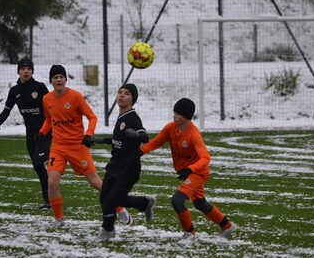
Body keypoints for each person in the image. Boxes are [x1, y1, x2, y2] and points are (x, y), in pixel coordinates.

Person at [37, 65, 131, 229]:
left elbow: (92, 117)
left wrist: (88, 134)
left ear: (65, 79)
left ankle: (120, 208)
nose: (58, 79)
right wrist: (42, 132)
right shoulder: (47, 99)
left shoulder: (75, 97)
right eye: (55, 77)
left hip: (77, 146)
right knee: (52, 182)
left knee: (95, 182)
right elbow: (48, 119)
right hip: (57, 147)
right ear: (50, 80)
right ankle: (59, 219)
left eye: (61, 76)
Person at [140, 98, 237, 239]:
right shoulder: (170, 128)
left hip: (197, 173)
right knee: (200, 203)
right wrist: (139, 152)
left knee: (177, 200)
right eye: (174, 112)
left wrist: (190, 169)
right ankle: (227, 226)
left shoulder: (193, 134)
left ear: (187, 117)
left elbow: (205, 158)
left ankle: (189, 233)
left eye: (178, 114)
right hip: (188, 173)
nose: (175, 116)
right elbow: (155, 143)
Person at [93, 84, 156, 241]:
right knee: (105, 199)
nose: (121, 95)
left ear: (132, 99)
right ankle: (144, 203)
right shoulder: (121, 117)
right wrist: (98, 140)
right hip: (115, 165)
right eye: (120, 92)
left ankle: (108, 231)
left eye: (126, 94)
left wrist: (137, 135)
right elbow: (117, 140)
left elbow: (145, 136)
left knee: (109, 203)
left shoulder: (132, 118)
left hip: (128, 168)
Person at [0, 57, 52, 209]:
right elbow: (7, 110)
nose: (26, 71)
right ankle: (49, 197)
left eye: (29, 68)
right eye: (23, 69)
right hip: (30, 134)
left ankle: (50, 195)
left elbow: (52, 107)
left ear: (32, 71)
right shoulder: (14, 91)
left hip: (45, 132)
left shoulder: (40, 88)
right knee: (38, 167)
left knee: (40, 163)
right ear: (18, 71)